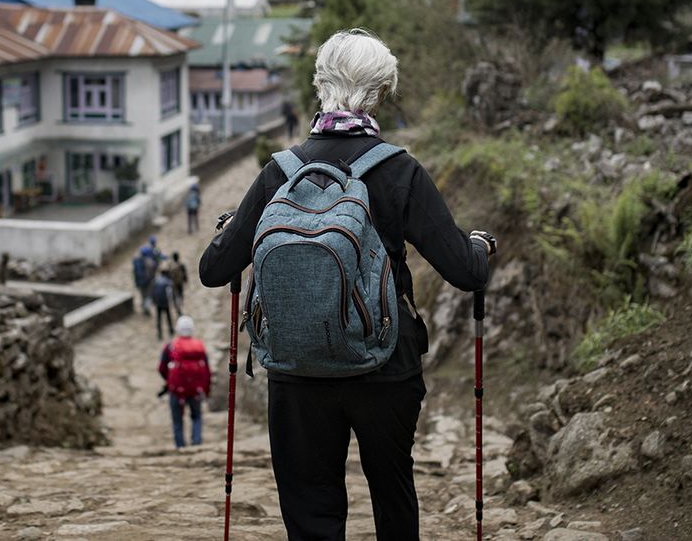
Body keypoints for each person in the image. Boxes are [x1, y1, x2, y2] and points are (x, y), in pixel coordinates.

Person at [199, 28, 494, 541]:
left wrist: (231, 231)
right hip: (386, 364)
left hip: (297, 368)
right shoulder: (399, 170)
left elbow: (212, 270)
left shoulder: (280, 173)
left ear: (320, 86)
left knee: (310, 506)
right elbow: (465, 272)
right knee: (391, 490)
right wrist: (481, 246)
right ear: (380, 92)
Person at [159, 315, 210, 448]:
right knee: (197, 416)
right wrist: (206, 388)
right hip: (196, 389)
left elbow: (162, 368)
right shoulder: (199, 347)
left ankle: (180, 445)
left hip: (176, 389)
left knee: (177, 420)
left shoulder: (171, 346)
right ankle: (196, 442)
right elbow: (207, 370)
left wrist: (169, 381)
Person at [134, 237, 161, 316]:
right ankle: (147, 309)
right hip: (148, 281)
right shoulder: (149, 262)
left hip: (140, 282)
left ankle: (144, 307)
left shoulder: (136, 260)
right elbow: (156, 266)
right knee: (148, 295)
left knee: (143, 295)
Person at [151, 268, 176, 340]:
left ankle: (159, 333)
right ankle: (171, 329)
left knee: (159, 318)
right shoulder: (168, 282)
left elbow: (152, 291)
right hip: (165, 302)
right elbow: (171, 293)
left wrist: (154, 300)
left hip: (158, 302)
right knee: (168, 316)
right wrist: (172, 301)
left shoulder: (156, 281)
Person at [167, 251, 189, 315]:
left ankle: (177, 308)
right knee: (180, 295)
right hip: (180, 283)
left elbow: (168, 275)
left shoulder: (171, 266)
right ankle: (180, 307)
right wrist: (185, 280)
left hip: (173, 284)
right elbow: (184, 274)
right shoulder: (181, 265)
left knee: (175, 296)